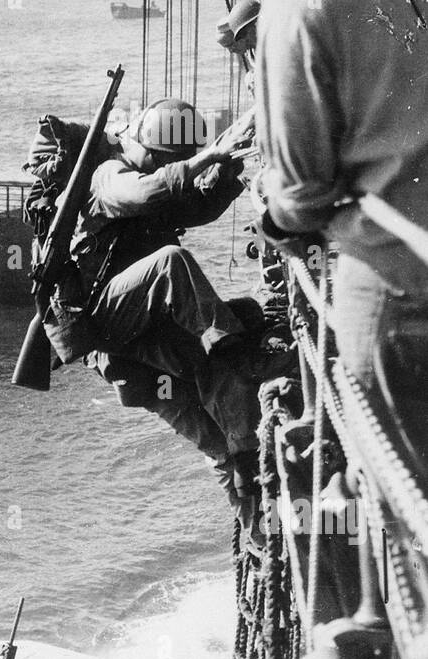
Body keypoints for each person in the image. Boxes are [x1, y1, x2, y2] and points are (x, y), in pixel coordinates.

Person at [51, 98, 270, 512]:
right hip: (107, 318)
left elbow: (198, 206)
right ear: (149, 151)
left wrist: (225, 169)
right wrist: (207, 156)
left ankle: (253, 516)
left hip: (136, 354)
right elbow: (146, 193)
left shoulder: (150, 173)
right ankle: (233, 351)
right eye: (168, 162)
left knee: (221, 437)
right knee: (173, 262)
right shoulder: (109, 175)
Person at [256, 0, 428, 473]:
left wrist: (273, 210)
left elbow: (302, 196)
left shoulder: (298, 11)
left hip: (401, 294)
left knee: (406, 525)